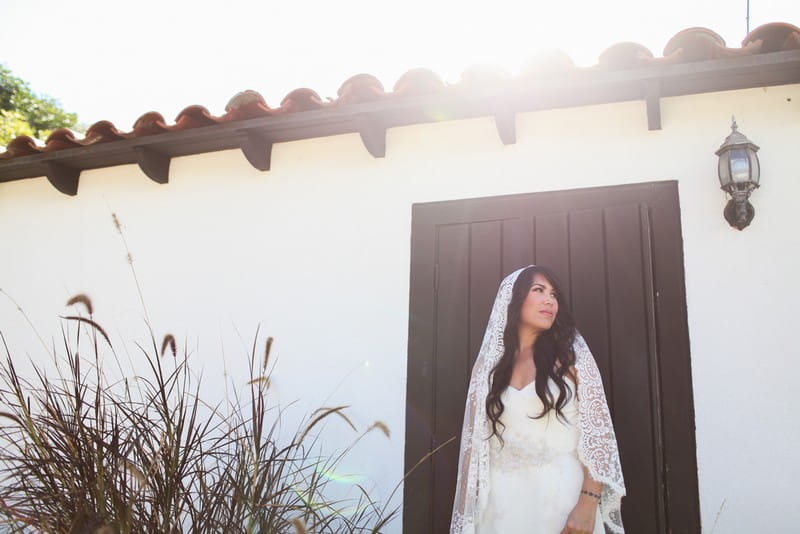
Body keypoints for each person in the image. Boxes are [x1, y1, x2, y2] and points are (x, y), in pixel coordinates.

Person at [450, 265, 625, 534]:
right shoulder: (487, 371)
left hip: (560, 500)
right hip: (500, 505)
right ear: (515, 299)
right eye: (539, 290)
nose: (549, 301)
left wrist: (588, 505)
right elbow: (472, 452)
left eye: (554, 294)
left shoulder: (572, 361)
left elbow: (598, 440)